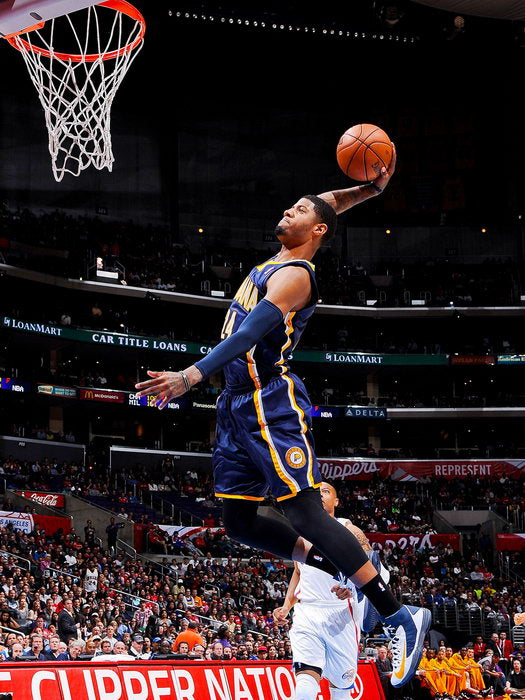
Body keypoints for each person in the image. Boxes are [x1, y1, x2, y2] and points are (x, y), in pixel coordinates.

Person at [136, 147, 430, 689]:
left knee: (303, 511)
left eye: (300, 210)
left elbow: (251, 333)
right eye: (292, 205)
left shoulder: (296, 276)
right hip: (234, 405)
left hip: (269, 400)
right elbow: (327, 202)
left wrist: (191, 375)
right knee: (239, 522)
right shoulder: (281, 256)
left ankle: (400, 618)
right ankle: (325, 562)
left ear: (316, 232)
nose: (289, 210)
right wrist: (368, 190)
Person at [273, 483, 368, 700]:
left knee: (341, 688)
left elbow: (371, 566)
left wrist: (351, 586)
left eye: (326, 491)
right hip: (307, 611)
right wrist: (287, 606)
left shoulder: (349, 529)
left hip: (340, 612)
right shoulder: (300, 532)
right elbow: (299, 572)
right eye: (317, 492)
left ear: (337, 501)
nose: (320, 495)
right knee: (305, 682)